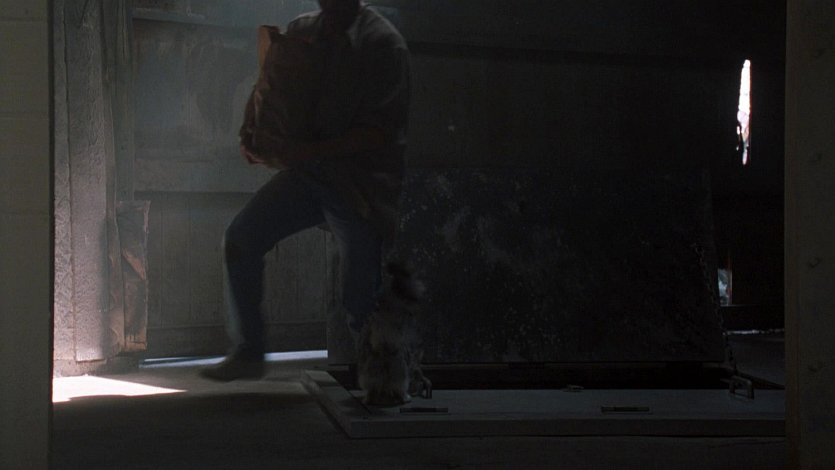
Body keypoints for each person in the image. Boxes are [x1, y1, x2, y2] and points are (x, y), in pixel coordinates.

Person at [201, 0, 410, 381]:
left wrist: (306, 151)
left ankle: (383, 381)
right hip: (309, 175)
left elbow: (380, 133)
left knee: (359, 298)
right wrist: (254, 134)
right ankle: (249, 353)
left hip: (360, 185)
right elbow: (269, 85)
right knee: (242, 238)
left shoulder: (382, 44)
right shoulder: (302, 30)